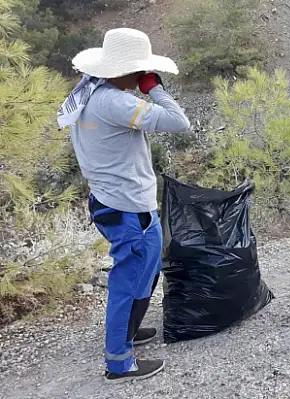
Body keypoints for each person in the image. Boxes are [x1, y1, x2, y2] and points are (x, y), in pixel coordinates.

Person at [57, 28, 190, 383]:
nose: (142, 76)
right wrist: (154, 89)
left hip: (109, 200)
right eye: (140, 70)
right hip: (128, 206)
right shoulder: (116, 102)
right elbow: (179, 122)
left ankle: (130, 331)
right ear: (127, 70)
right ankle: (119, 362)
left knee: (143, 272)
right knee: (128, 280)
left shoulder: (88, 92)